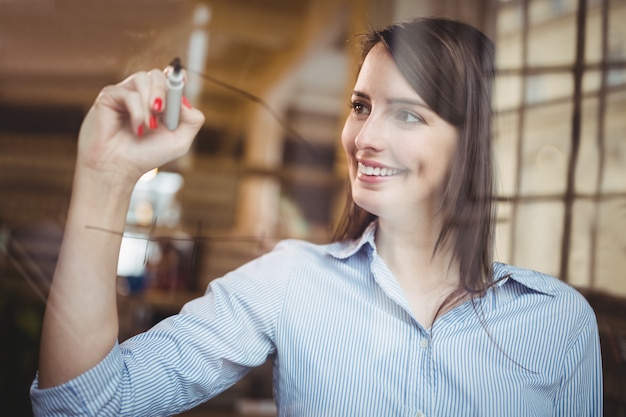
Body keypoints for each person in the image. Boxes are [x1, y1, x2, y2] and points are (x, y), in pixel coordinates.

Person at [31, 17, 602, 416]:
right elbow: (85, 405)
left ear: (472, 143)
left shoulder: (557, 321)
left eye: (407, 116)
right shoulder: (290, 281)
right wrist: (107, 177)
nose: (365, 138)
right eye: (361, 107)